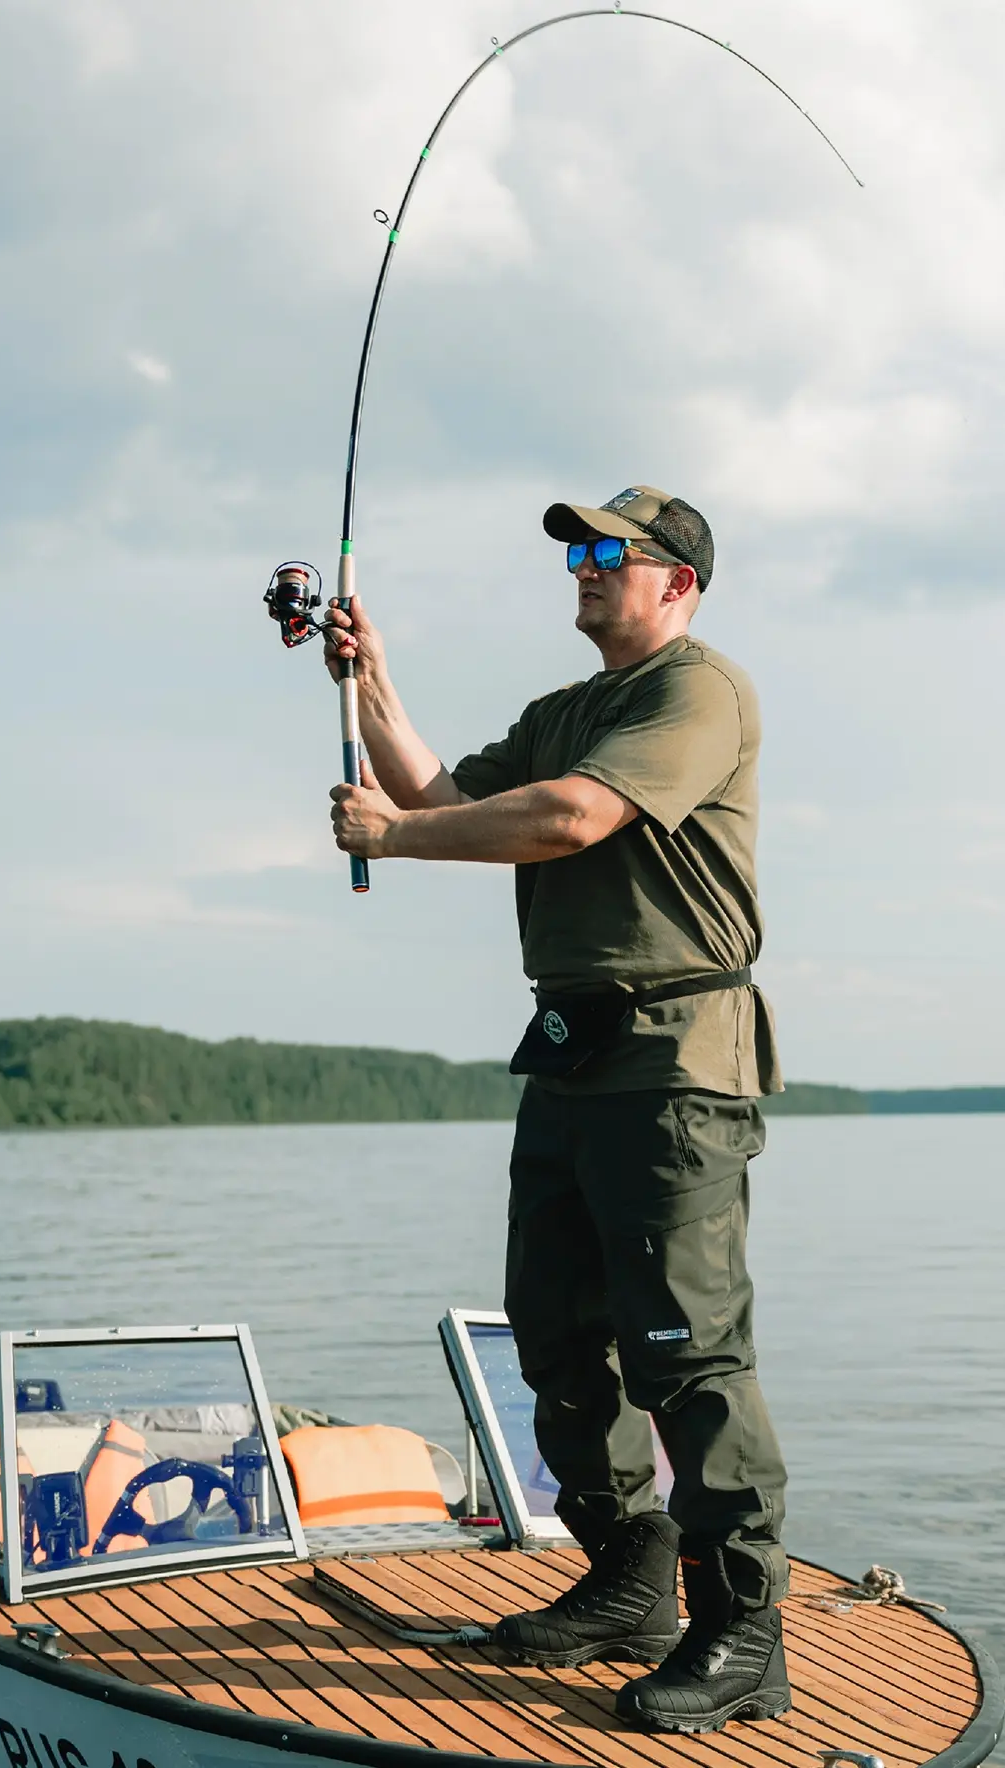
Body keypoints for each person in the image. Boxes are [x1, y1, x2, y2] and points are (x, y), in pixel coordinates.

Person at [326, 485, 791, 1733]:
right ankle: (629, 1577)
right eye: (577, 552)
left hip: (679, 1059)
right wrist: (371, 684)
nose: (581, 568)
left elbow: (572, 816)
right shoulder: (565, 712)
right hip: (576, 1052)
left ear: (676, 582)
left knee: (689, 1352)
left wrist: (394, 837)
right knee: (554, 1333)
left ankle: (744, 1632)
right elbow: (429, 794)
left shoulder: (698, 692)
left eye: (604, 553)